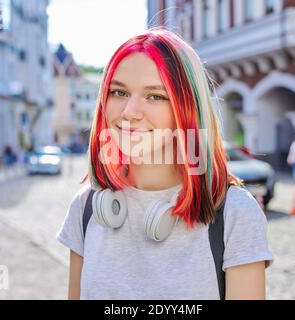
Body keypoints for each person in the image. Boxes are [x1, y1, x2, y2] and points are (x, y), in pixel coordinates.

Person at [56, 28, 274, 300]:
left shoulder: (235, 214)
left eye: (155, 96)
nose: (129, 112)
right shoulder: (86, 207)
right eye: (119, 92)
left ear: (187, 108)